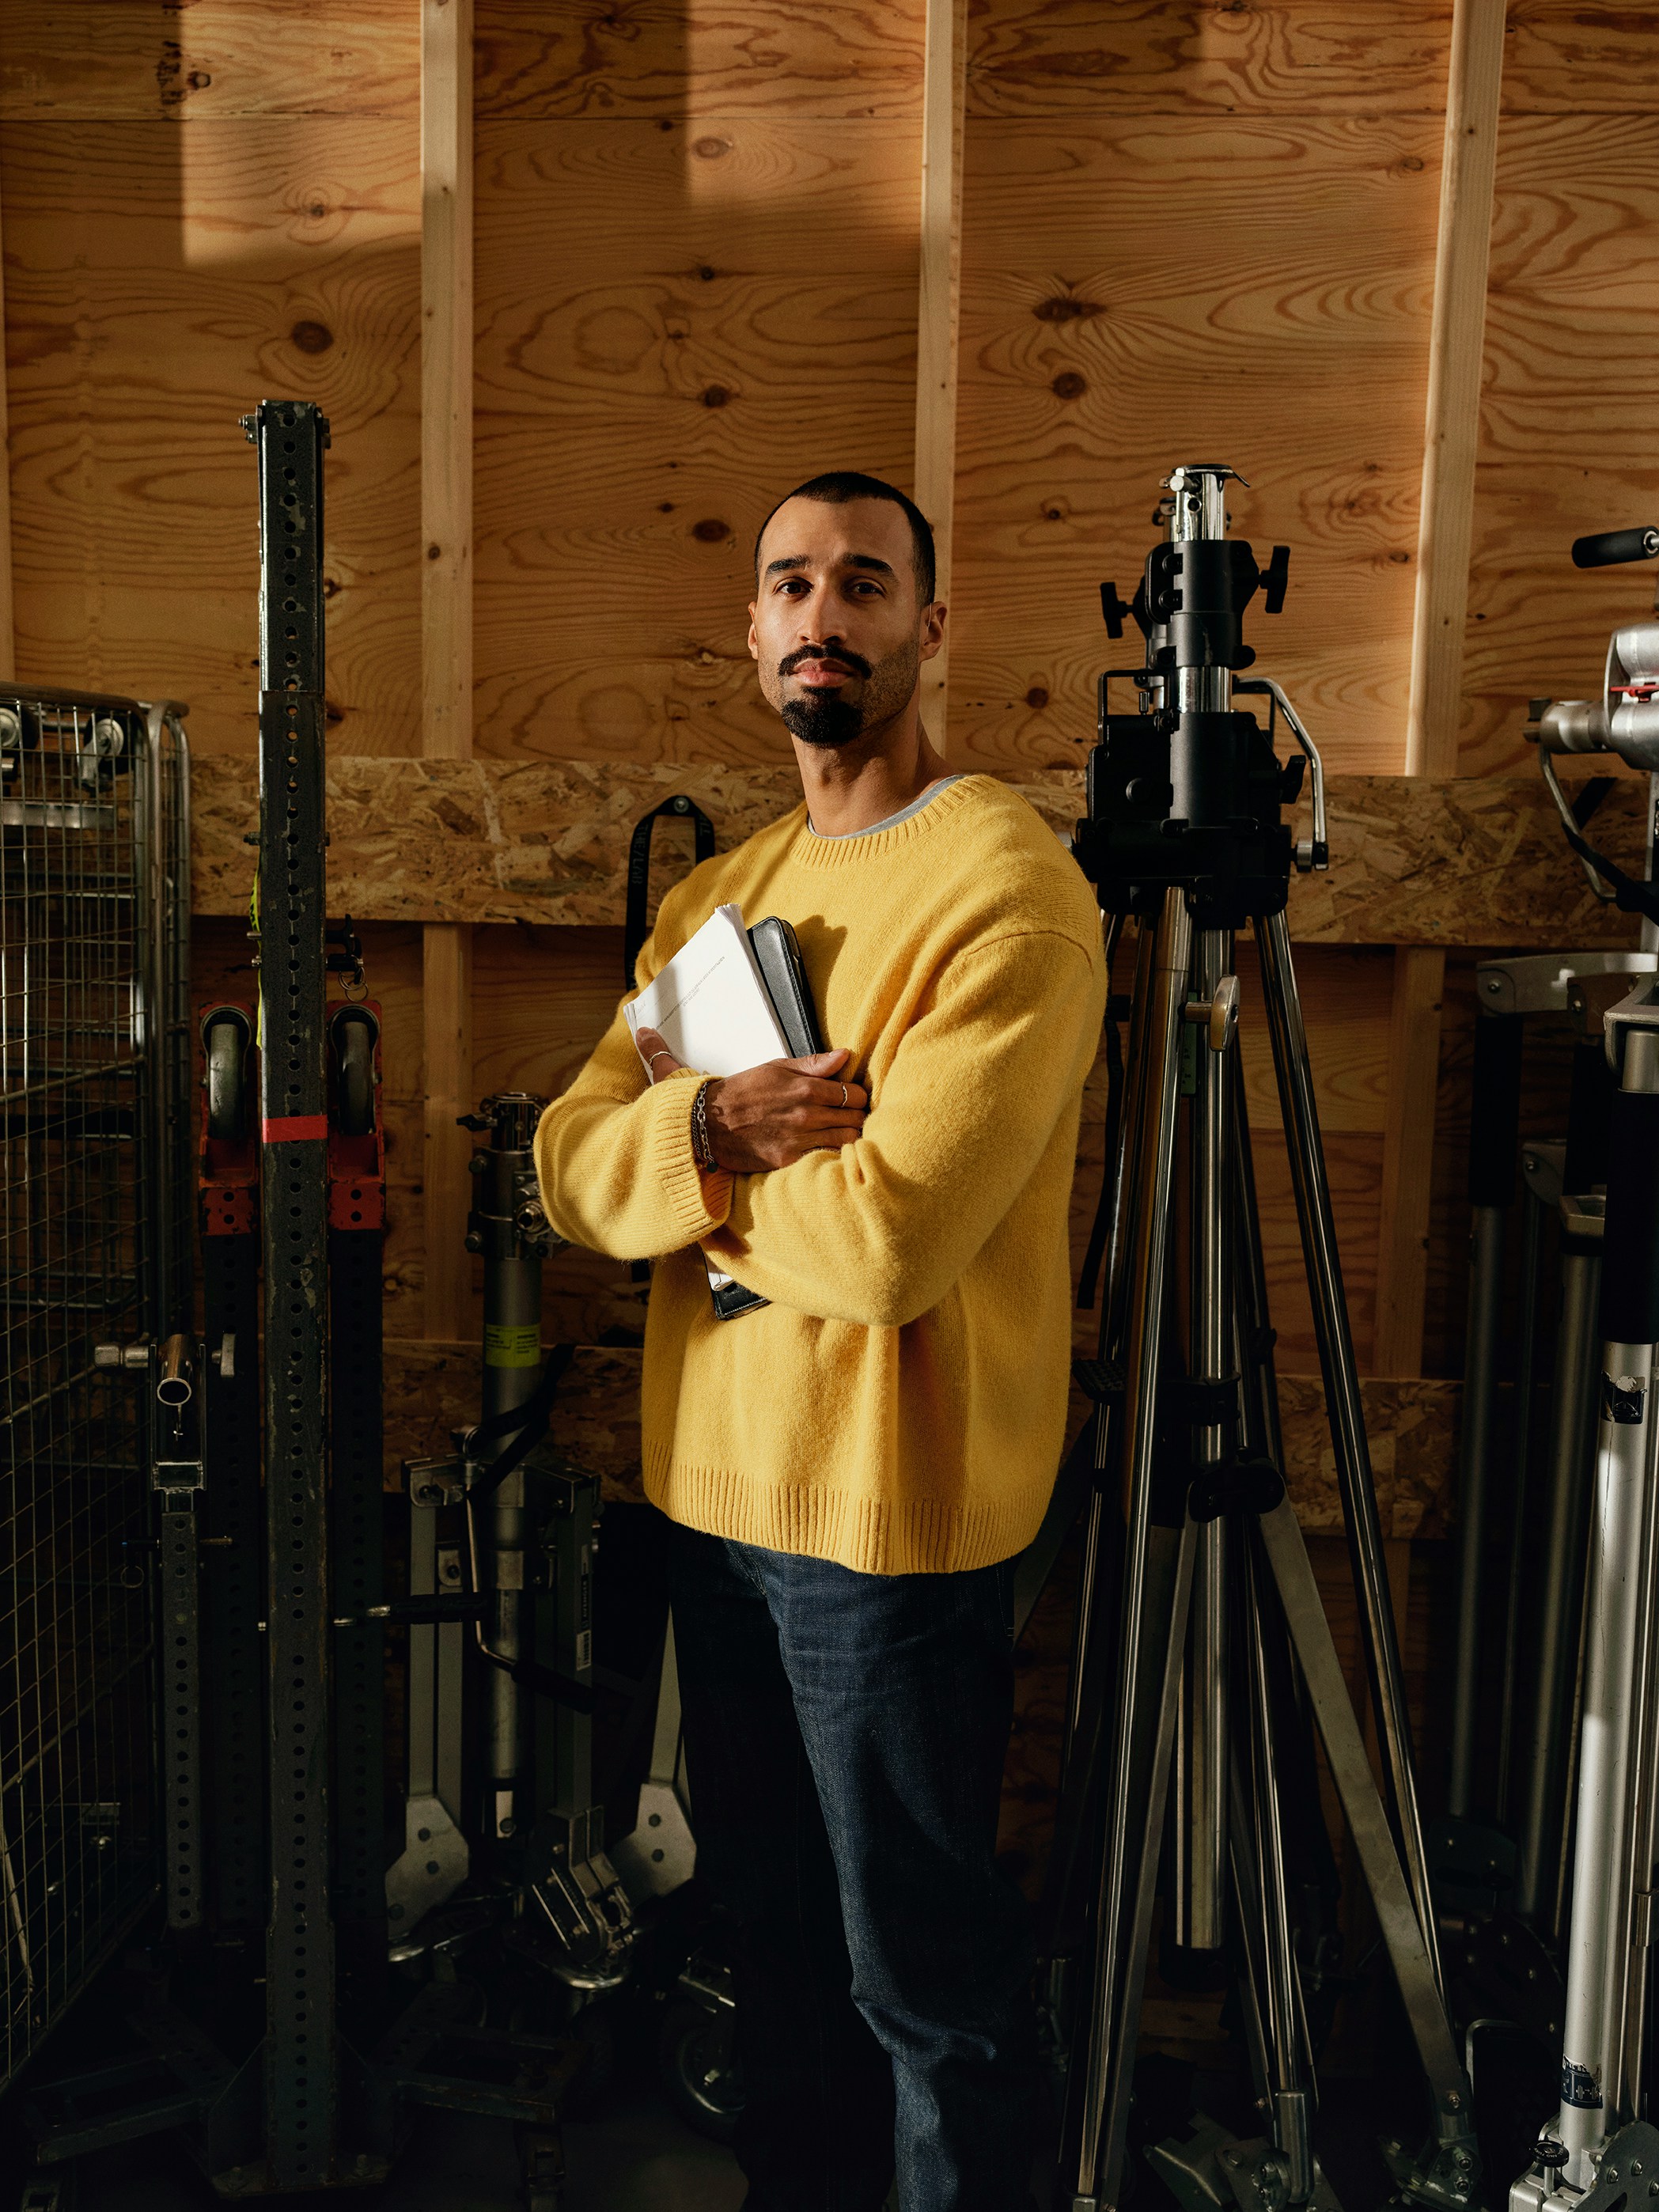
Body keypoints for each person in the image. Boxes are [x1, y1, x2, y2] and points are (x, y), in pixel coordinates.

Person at [534, 471, 1107, 2211]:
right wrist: (715, 1133)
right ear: (754, 632)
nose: (819, 614)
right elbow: (566, 1168)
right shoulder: (721, 893)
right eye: (790, 583)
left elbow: (882, 1247)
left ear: (929, 628)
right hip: (716, 1512)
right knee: (774, 1963)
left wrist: (672, 1165)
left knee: (924, 1992)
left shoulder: (1006, 888)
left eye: (863, 583)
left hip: (880, 1536)